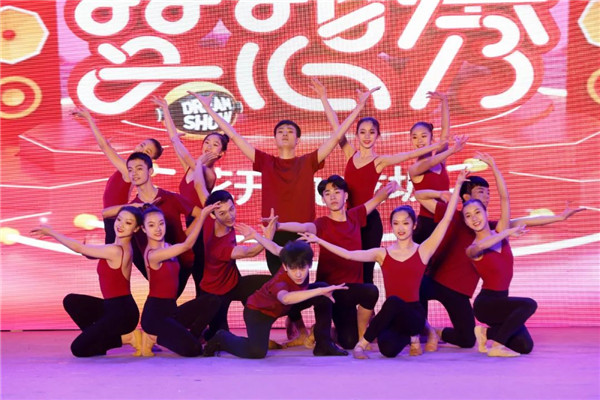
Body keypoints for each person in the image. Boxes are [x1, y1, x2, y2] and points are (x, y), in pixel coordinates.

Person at [187, 85, 379, 276]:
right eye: (281, 131)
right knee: (279, 284)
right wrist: (208, 109)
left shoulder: (308, 162)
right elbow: (234, 136)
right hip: (273, 233)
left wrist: (359, 107)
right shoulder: (266, 161)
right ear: (275, 139)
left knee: (299, 282)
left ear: (298, 140)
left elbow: (337, 136)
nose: (285, 133)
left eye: (290, 131)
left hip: (302, 235)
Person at [414, 152, 586, 352]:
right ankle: (421, 331)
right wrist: (441, 194)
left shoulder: (495, 228)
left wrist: (560, 218)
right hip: (436, 280)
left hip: (460, 292)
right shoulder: (455, 217)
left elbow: (520, 215)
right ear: (466, 197)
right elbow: (420, 196)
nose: (486, 197)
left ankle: (452, 332)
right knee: (413, 290)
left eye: (488, 194)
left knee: (476, 340)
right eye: (481, 192)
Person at [300, 170, 469, 359]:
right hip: (392, 317)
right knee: (387, 349)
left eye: (405, 223)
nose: (401, 228)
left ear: (414, 225)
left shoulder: (423, 250)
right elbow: (348, 255)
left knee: (394, 301)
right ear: (391, 227)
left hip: (414, 314)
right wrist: (319, 241)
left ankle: (366, 344)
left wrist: (457, 186)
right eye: (396, 224)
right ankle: (408, 338)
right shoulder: (382, 253)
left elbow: (446, 219)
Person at [312, 78, 447, 284]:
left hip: (369, 222)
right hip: (349, 220)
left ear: (378, 136)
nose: (367, 136)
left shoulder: (379, 161)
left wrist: (436, 146)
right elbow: (336, 127)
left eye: (372, 132)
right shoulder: (350, 153)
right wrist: (323, 97)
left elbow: (408, 155)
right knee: (346, 267)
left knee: (366, 274)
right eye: (362, 132)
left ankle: (368, 303)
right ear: (356, 135)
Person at [274, 175, 399, 349]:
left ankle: (359, 335)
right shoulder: (322, 224)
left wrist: (393, 185)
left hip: (350, 290)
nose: (332, 197)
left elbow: (378, 198)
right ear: (323, 200)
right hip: (329, 292)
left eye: (337, 192)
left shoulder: (355, 216)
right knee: (346, 340)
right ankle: (317, 330)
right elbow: (304, 227)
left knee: (368, 296)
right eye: (327, 194)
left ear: (345, 195)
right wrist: (278, 225)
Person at [203, 234, 349, 359]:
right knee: (256, 352)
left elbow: (275, 248)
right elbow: (285, 298)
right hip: (259, 313)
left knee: (324, 291)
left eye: (302, 268)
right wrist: (319, 291)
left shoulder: (290, 258)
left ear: (309, 265)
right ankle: (222, 337)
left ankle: (324, 344)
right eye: (293, 269)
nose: (298, 274)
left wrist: (256, 235)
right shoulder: (280, 283)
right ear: (285, 266)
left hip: (285, 307)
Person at [31, 206, 144, 357]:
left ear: (136, 228)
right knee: (72, 301)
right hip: (113, 307)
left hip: (122, 314)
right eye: (119, 219)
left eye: (128, 223)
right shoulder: (117, 247)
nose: (121, 225)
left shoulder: (115, 250)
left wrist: (51, 232)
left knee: (78, 349)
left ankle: (129, 338)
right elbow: (91, 252)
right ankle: (97, 341)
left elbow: (79, 248)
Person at [151, 96, 230, 297]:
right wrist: (166, 109)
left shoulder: (208, 173)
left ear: (221, 154)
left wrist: (200, 161)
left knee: (199, 275)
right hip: (189, 226)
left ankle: (206, 313)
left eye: (215, 145)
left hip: (202, 227)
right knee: (182, 273)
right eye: (207, 142)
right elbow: (175, 140)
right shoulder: (192, 166)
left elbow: (197, 181)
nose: (209, 146)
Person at [102, 152, 201, 297]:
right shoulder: (133, 207)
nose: (134, 173)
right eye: (130, 170)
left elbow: (200, 214)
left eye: (139, 169)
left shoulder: (169, 197)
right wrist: (134, 206)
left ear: (150, 171)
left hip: (180, 262)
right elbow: (105, 214)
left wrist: (185, 236)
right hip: (153, 265)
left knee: (167, 301)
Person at [462, 174, 536, 357]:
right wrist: (508, 232)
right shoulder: (472, 249)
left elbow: (505, 198)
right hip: (486, 305)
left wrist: (493, 166)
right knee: (529, 304)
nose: (474, 218)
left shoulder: (500, 232)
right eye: (468, 216)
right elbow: (482, 245)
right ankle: (497, 346)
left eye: (477, 212)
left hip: (503, 302)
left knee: (525, 346)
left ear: (486, 213)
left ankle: (485, 333)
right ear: (465, 222)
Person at [138, 204, 221, 357]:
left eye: (161, 223)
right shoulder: (153, 254)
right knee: (194, 350)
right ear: (143, 229)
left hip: (172, 311)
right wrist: (202, 216)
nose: (158, 229)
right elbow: (187, 245)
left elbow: (185, 240)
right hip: (155, 316)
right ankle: (152, 337)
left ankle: (193, 336)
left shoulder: (169, 246)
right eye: (151, 225)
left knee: (213, 300)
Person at [73, 107, 163, 245]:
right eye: (142, 145)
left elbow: (103, 146)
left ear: (151, 160)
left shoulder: (128, 170)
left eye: (147, 151)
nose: (141, 150)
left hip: (115, 218)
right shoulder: (130, 167)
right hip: (114, 217)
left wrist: (89, 118)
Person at [198, 190, 276, 340]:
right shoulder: (218, 247)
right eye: (222, 213)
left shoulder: (213, 216)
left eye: (231, 209)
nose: (229, 216)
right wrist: (268, 237)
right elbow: (249, 252)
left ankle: (259, 332)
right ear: (213, 215)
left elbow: (203, 191)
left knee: (272, 284)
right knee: (221, 337)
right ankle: (205, 333)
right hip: (215, 293)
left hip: (234, 283)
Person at [406, 93, 466, 243]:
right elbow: (429, 163)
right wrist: (451, 150)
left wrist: (444, 101)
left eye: (423, 136)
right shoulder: (414, 169)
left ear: (431, 138)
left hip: (446, 218)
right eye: (415, 137)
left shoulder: (440, 160)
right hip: (427, 225)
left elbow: (445, 131)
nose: (419, 140)